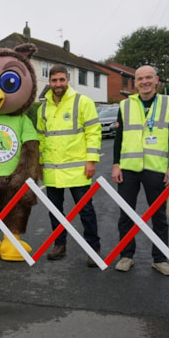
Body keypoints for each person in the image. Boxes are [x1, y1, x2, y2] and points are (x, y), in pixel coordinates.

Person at [111, 65, 169, 276]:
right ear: (135, 82)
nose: (145, 82)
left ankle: (160, 259)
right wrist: (115, 164)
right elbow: (119, 137)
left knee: (158, 216)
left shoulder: (168, 103)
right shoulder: (125, 104)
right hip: (128, 168)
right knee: (126, 215)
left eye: (148, 78)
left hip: (156, 168)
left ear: (156, 80)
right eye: (140, 79)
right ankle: (126, 256)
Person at [36, 64, 102, 266]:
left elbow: (93, 132)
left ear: (68, 80)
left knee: (86, 210)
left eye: (61, 80)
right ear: (49, 82)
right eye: (54, 80)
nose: (58, 84)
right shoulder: (43, 107)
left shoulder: (83, 102)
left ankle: (93, 249)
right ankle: (60, 245)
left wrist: (91, 161)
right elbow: (41, 137)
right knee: (55, 210)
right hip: (52, 170)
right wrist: (39, 162)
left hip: (77, 169)